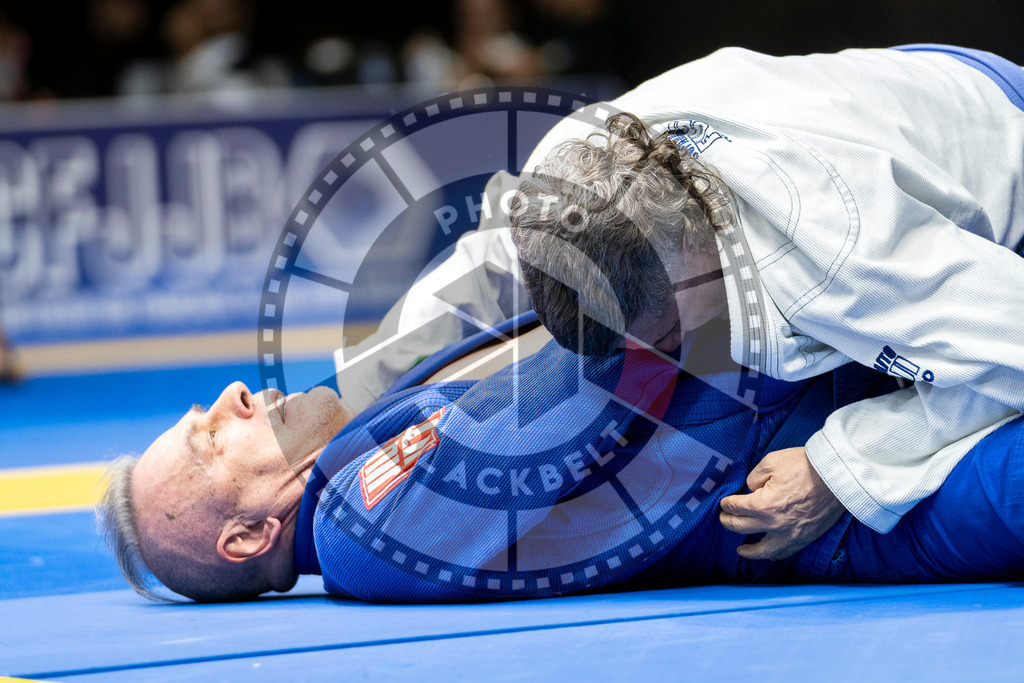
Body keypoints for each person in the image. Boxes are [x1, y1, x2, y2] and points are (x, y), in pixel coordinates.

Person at [401, 43, 1024, 561]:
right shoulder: (564, 175)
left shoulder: (844, 256)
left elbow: (1007, 351)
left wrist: (842, 466)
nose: (659, 359)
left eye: (666, 335)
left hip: (997, 135)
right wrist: (365, 397)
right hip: (873, 93)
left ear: (693, 251)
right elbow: (472, 276)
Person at [99, 303, 1024, 603]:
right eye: (210, 438)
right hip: (825, 500)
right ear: (245, 536)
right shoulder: (355, 531)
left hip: (809, 389)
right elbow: (592, 396)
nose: (233, 397)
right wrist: (670, 261)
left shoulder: (350, 461)